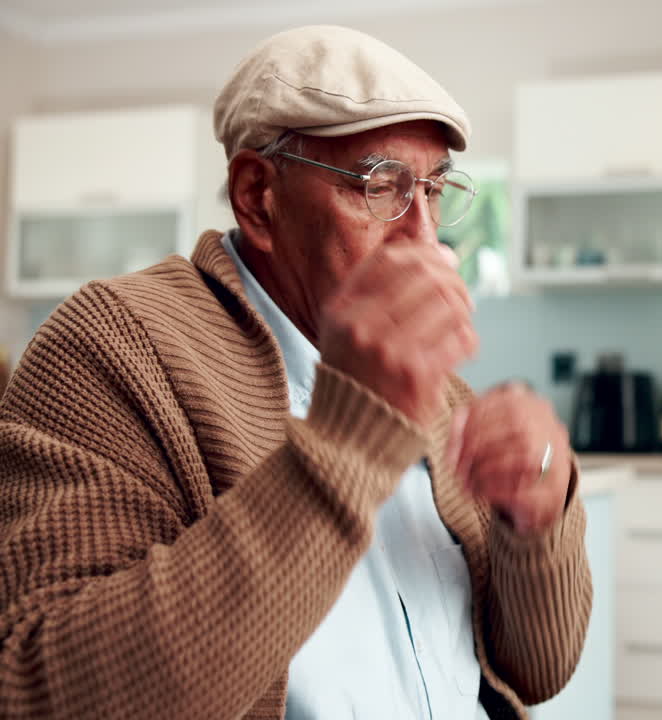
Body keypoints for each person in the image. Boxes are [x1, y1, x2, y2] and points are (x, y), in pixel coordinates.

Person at [0, 25, 590, 719]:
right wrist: (351, 436)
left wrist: (537, 521)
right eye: (379, 187)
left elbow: (539, 669)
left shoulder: (441, 393)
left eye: (432, 191)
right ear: (258, 197)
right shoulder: (114, 343)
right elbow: (48, 696)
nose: (425, 239)